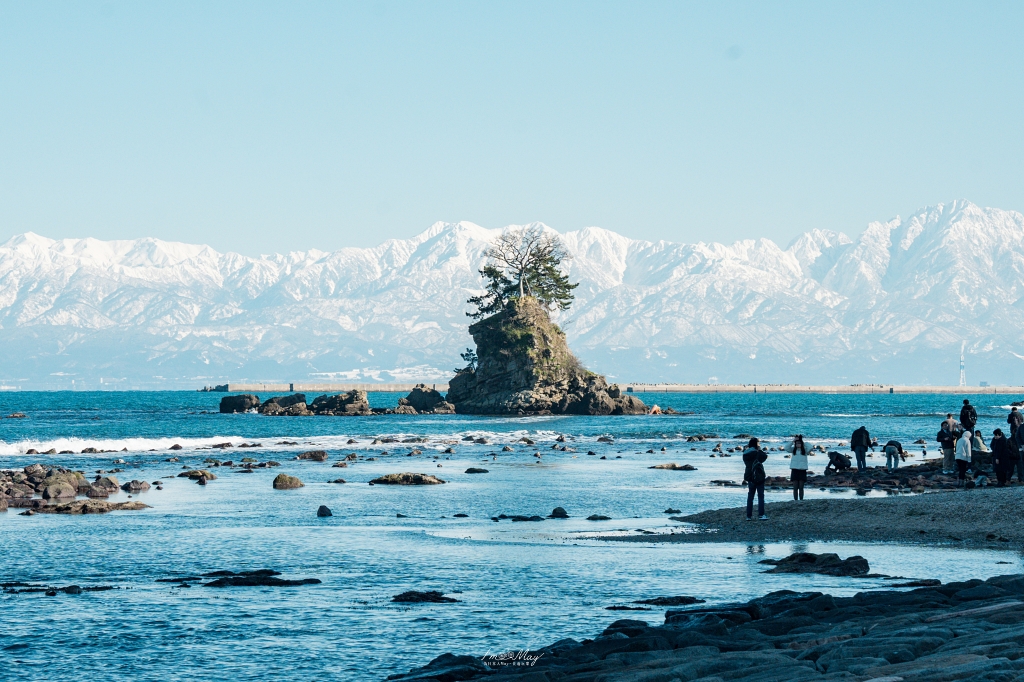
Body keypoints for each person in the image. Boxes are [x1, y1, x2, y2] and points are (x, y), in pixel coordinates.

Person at [742, 437, 768, 520]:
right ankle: (761, 514)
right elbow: (764, 457)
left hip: (750, 476)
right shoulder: (757, 453)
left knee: (750, 496)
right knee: (760, 496)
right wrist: (759, 449)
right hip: (759, 475)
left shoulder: (745, 454)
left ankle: (748, 516)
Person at [787, 434, 809, 501]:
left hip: (802, 470)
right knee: (795, 487)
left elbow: (810, 447)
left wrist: (803, 442)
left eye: (799, 443)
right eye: (797, 443)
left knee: (801, 487)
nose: (798, 444)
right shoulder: (793, 450)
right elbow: (786, 447)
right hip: (794, 470)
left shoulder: (805, 450)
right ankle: (795, 500)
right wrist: (793, 441)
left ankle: (801, 500)